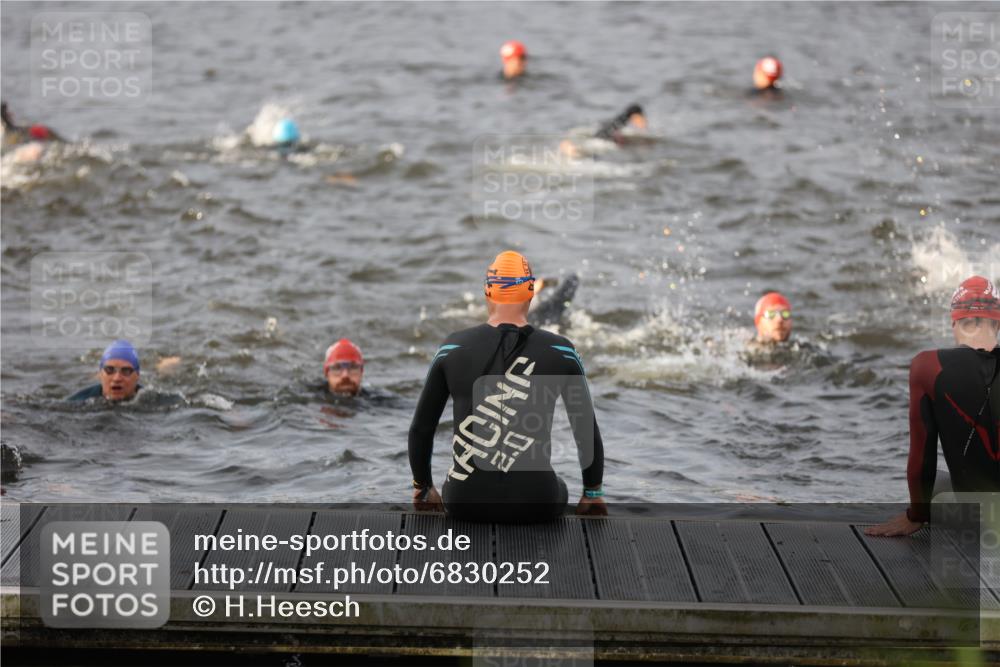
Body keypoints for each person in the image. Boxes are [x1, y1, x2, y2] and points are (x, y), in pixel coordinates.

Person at [408, 251, 606, 522]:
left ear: (487, 291)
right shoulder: (562, 350)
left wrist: (422, 488)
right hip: (538, 503)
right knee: (558, 485)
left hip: (464, 503)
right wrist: (592, 494)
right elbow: (585, 431)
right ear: (531, 292)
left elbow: (421, 428)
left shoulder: (452, 347)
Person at [866, 276, 1000, 537]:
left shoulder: (928, 366)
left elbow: (921, 460)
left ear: (954, 322)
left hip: (978, 517)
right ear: (997, 323)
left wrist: (916, 515)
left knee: (938, 483)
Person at [560, 104, 648, 158]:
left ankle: (570, 147)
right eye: (640, 116)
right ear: (635, 115)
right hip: (603, 139)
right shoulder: (623, 120)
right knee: (587, 152)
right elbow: (615, 133)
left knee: (589, 150)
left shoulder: (620, 118)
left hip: (601, 136)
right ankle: (570, 147)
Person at [67, 340, 142, 402]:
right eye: (110, 370)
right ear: (100, 374)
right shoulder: (77, 402)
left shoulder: (147, 401)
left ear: (137, 375)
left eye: (126, 371)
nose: (117, 378)